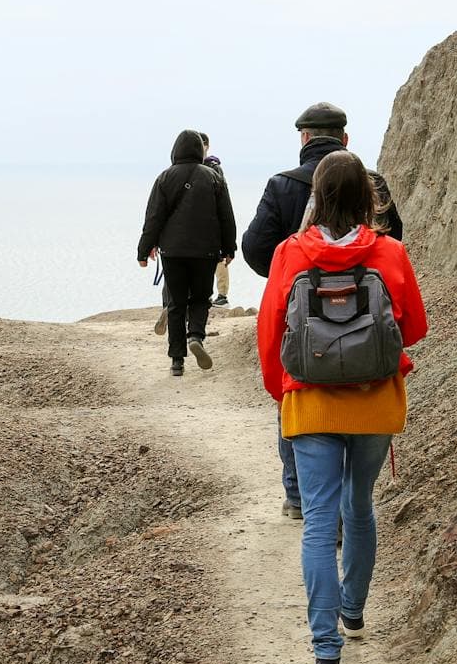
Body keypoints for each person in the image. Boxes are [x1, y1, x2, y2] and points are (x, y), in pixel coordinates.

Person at [255, 151, 426, 664]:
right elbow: (415, 327)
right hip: (374, 402)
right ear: (368, 198)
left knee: (319, 521)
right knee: (359, 506)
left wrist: (283, 391)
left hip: (310, 401)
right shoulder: (390, 252)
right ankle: (353, 612)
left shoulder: (290, 253)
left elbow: (270, 330)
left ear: (316, 197)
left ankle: (325, 650)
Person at [241, 102, 406, 519]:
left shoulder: (282, 185)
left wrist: (289, 276)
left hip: (302, 318)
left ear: (304, 139)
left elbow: (255, 247)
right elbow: (395, 242)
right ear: (345, 138)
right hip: (365, 317)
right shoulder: (372, 183)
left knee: (296, 392)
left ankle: (299, 495)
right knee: (358, 403)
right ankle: (348, 504)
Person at [138, 130, 237, 376]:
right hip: (206, 250)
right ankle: (195, 336)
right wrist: (230, 247)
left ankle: (177, 360)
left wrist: (144, 249)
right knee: (201, 298)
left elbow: (154, 217)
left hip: (172, 251)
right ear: (200, 150)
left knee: (176, 303)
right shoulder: (214, 177)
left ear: (175, 150)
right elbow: (226, 215)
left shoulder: (164, 178)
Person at [199, 132, 231, 306]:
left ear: (207, 146)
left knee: (219, 261)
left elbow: (223, 199)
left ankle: (222, 295)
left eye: (202, 143)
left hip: (214, 222)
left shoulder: (214, 167)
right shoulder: (191, 166)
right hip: (200, 223)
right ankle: (205, 293)